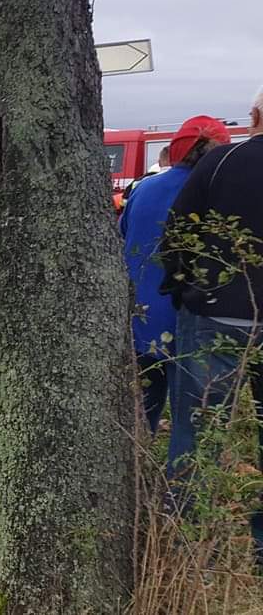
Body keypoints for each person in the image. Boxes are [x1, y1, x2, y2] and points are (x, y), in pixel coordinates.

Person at [162, 88, 263, 557]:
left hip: (216, 313)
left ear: (256, 115)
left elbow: (178, 233)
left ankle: (186, 549)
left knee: (197, 430)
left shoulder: (221, 161)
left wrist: (186, 289)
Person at [119, 116, 231, 432]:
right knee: (194, 415)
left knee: (145, 405)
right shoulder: (213, 192)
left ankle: (141, 451)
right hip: (190, 319)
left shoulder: (143, 187)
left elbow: (124, 234)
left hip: (141, 317)